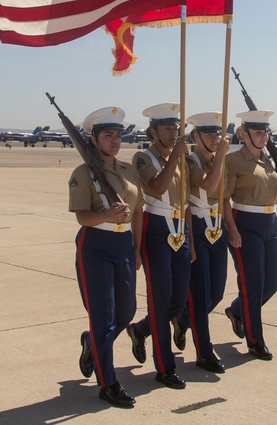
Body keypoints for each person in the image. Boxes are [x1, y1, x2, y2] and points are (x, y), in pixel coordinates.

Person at [69, 107, 143, 409]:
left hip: (123, 243)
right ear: (94, 140)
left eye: (117, 135)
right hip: (95, 244)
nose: (114, 140)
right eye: (107, 135)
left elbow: (138, 211)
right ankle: (108, 382)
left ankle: (92, 343)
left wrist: (136, 249)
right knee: (104, 316)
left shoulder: (128, 170)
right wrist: (106, 215)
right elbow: (82, 217)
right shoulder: (83, 173)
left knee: (126, 312)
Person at [222, 110, 277, 361]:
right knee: (252, 285)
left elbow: (271, 196)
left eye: (265, 132)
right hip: (245, 224)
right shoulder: (233, 161)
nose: (263, 137)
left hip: (270, 222)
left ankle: (236, 311)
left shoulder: (270, 160)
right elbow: (224, 199)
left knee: (272, 283)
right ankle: (255, 341)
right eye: (257, 132)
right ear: (244, 135)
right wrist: (232, 230)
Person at [125, 103, 190, 390]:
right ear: (153, 131)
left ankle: (140, 330)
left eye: (176, 128)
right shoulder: (144, 157)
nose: (173, 133)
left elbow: (185, 199)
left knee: (178, 299)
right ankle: (165, 366)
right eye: (167, 129)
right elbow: (158, 186)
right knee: (160, 299)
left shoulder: (182, 157)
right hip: (156, 228)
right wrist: (176, 157)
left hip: (179, 228)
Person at [174, 112, 232, 373]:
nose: (214, 138)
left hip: (216, 227)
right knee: (199, 296)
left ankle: (179, 321)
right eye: (208, 134)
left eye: (217, 133)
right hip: (196, 226)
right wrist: (221, 155)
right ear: (195, 136)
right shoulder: (190, 160)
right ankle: (204, 352)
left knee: (216, 293)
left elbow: (224, 197)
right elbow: (208, 187)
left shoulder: (220, 160)